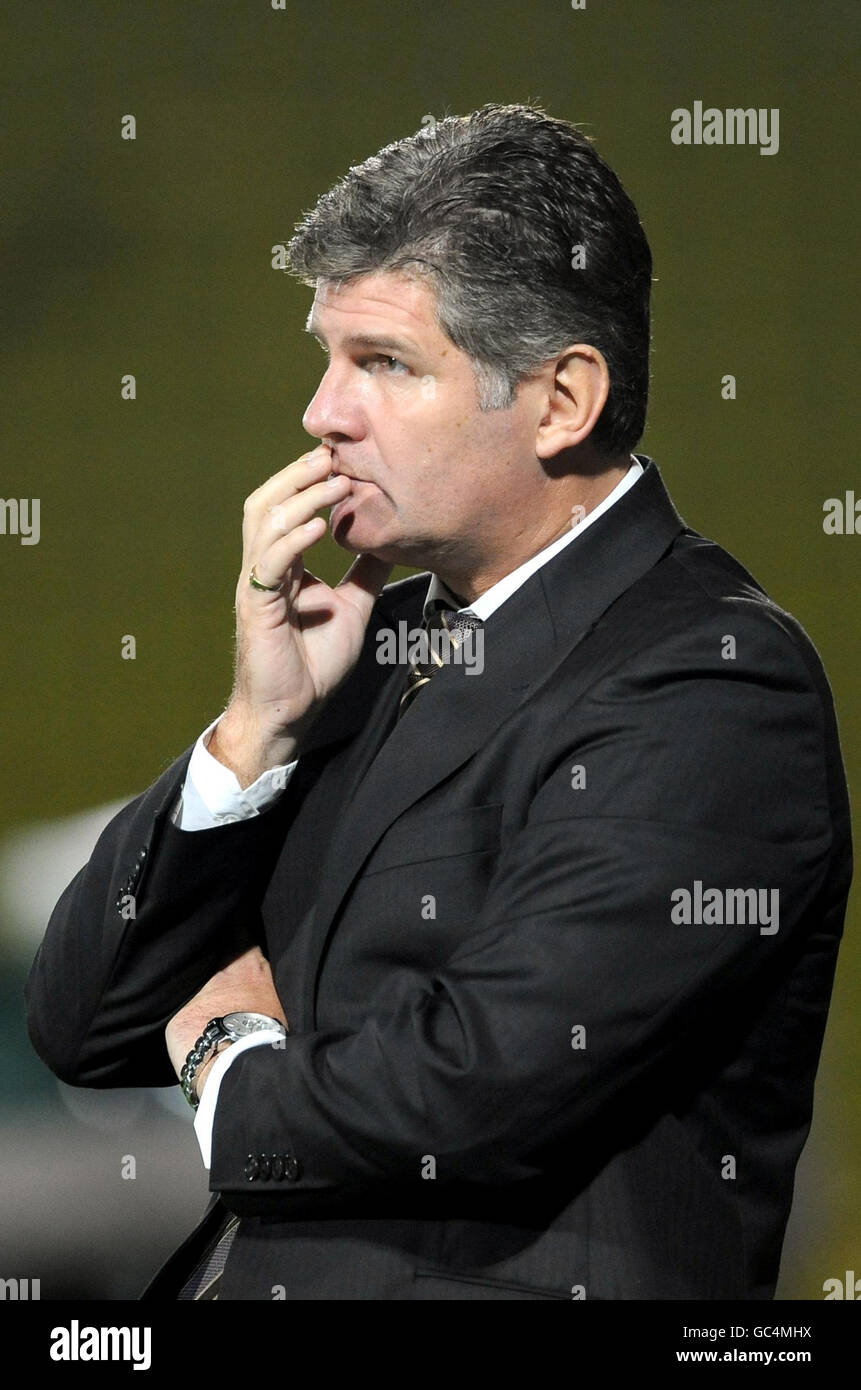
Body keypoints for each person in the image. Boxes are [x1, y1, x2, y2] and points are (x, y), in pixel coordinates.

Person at [26, 103, 851, 1301]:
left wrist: (227, 1059)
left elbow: (481, 1083)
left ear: (562, 400)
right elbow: (86, 1021)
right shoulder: (362, 646)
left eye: (386, 363)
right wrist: (252, 731)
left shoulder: (715, 681)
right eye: (328, 356)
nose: (322, 413)